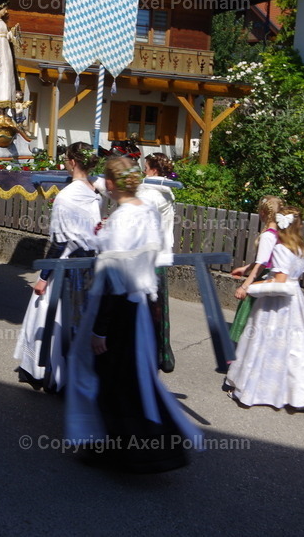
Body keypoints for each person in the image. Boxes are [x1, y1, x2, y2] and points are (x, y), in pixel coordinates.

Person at [65, 156, 199, 473]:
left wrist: (101, 329)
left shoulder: (125, 217)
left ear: (111, 184)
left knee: (109, 379)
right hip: (140, 306)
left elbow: (115, 274)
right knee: (131, 378)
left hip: (119, 307)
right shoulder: (143, 210)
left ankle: (118, 449)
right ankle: (139, 447)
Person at [15, 142, 103, 392]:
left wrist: (44, 276)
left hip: (66, 264)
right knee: (78, 319)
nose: (65, 162)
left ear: (73, 162)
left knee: (47, 315)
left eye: (66, 159)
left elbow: (60, 241)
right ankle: (74, 373)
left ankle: (44, 371)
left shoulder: (66, 196)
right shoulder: (92, 191)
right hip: (87, 264)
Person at [225, 207, 304, 409]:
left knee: (266, 343)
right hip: (295, 302)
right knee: (294, 346)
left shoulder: (281, 249)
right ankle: (292, 392)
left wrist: (251, 287)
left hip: (277, 305)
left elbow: (280, 282)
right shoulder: (300, 249)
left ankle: (259, 389)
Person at [136, 152, 177, 372]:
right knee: (157, 306)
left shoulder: (152, 194)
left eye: (146, 167)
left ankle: (152, 353)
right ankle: (160, 352)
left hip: (149, 255)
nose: (143, 170)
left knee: (150, 307)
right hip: (160, 252)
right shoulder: (165, 190)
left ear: (153, 170)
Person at [229, 195, 283, 342]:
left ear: (263, 213)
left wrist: (245, 286)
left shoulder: (267, 236)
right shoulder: (280, 234)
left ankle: (238, 349)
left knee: (246, 316)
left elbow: (261, 265)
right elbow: (265, 261)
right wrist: (245, 268)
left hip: (261, 278)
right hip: (271, 278)